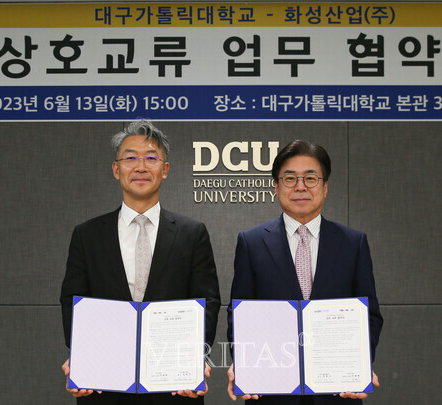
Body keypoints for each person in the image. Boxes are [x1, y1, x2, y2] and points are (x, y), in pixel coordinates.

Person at [60, 119, 221, 404]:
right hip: (104, 386)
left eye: (151, 158)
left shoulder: (192, 233)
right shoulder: (87, 235)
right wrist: (81, 357)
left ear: (165, 169)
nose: (141, 167)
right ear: (116, 169)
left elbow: (207, 301)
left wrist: (195, 358)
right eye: (131, 158)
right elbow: (73, 300)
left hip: (174, 387)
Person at [226, 140, 383, 404]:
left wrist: (359, 365)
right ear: (276, 187)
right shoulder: (251, 243)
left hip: (337, 391)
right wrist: (243, 364)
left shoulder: (353, 243)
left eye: (310, 178)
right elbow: (239, 314)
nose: (300, 187)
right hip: (271, 392)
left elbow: (370, 315)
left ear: (325, 187)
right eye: (290, 178)